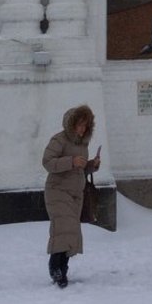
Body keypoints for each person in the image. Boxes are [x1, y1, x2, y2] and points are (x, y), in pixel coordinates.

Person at [42, 103, 100, 288]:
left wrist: (92, 165)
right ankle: (55, 268)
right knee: (63, 228)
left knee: (71, 232)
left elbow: (79, 168)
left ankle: (62, 269)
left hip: (76, 193)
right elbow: (48, 162)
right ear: (72, 124)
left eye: (86, 125)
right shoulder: (59, 140)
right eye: (80, 124)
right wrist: (71, 161)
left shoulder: (83, 145)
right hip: (58, 191)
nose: (82, 129)